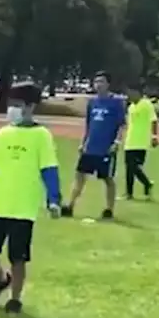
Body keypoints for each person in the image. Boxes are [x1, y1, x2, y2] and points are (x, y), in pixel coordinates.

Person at [0, 82, 63, 314]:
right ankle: (1, 278)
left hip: (23, 207)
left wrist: (53, 199)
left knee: (18, 256)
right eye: (12, 104)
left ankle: (15, 298)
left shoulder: (42, 136)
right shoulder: (4, 133)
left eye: (18, 105)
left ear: (31, 106)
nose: (13, 109)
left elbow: (49, 170)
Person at [62, 71, 125, 220]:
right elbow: (88, 125)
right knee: (79, 176)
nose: (98, 85)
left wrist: (116, 142)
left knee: (107, 179)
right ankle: (70, 205)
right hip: (90, 147)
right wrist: (83, 143)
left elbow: (122, 125)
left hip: (106, 149)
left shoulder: (116, 102)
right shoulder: (92, 102)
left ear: (108, 84)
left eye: (101, 81)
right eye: (96, 81)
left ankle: (109, 209)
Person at [123, 83, 158, 200]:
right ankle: (129, 193)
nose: (128, 95)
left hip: (141, 141)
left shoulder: (147, 104)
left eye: (130, 92)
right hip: (130, 141)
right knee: (129, 168)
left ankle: (147, 183)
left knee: (134, 166)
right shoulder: (131, 107)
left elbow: (154, 120)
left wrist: (154, 136)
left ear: (137, 92)